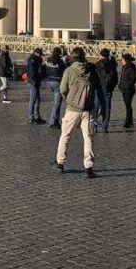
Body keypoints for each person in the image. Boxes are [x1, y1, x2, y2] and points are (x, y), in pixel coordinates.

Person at [54, 47, 97, 178]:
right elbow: (97, 89)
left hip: (72, 109)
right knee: (88, 138)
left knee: (65, 136)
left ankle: (60, 163)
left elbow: (62, 88)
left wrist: (70, 99)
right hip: (88, 110)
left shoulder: (69, 70)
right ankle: (88, 166)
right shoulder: (91, 70)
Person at [93, 48, 118, 133]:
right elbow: (116, 79)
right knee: (107, 108)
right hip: (108, 89)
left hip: (99, 89)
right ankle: (105, 126)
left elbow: (93, 78)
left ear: (101, 55)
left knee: (96, 107)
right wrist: (111, 88)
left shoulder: (97, 64)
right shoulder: (112, 65)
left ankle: (94, 124)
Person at [44, 48, 67, 128]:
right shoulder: (60, 61)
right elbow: (64, 71)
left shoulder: (48, 60)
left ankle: (54, 120)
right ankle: (53, 121)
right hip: (57, 82)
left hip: (49, 81)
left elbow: (44, 69)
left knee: (55, 102)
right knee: (57, 103)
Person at [26, 48, 46, 123]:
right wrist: (35, 79)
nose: (41, 56)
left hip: (35, 81)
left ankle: (36, 116)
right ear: (37, 54)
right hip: (33, 81)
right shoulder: (32, 60)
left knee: (37, 100)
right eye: (40, 55)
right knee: (33, 99)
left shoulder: (35, 59)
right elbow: (32, 72)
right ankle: (31, 117)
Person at [119, 53, 136, 129]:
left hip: (129, 90)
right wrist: (120, 85)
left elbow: (133, 79)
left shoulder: (131, 67)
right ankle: (130, 120)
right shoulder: (124, 67)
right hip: (124, 88)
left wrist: (126, 86)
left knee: (128, 106)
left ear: (125, 60)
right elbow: (122, 77)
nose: (121, 61)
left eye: (122, 60)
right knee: (128, 106)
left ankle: (127, 122)